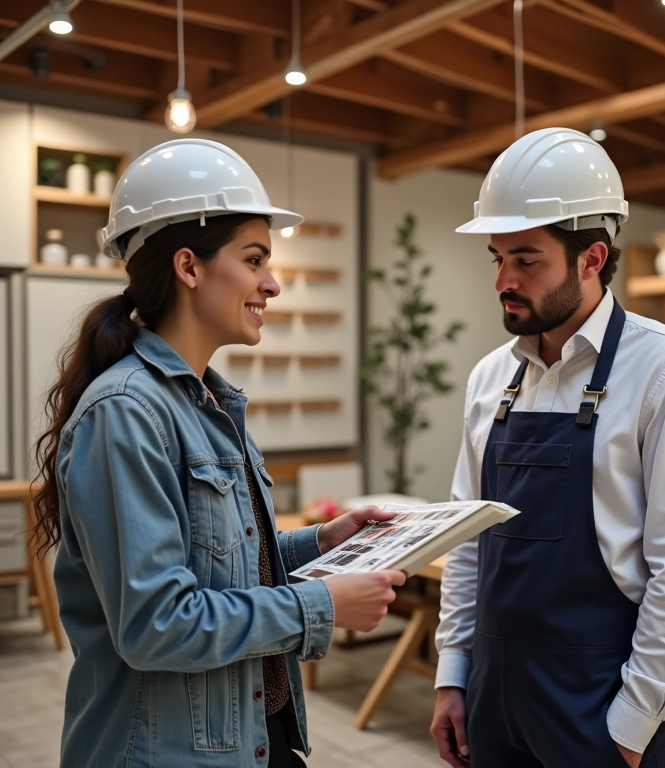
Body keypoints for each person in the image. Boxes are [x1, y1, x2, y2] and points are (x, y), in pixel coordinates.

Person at [31, 138, 406, 768]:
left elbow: (220, 563)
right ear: (189, 266)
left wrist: (323, 543)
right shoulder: (126, 413)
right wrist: (323, 604)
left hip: (252, 743)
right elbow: (158, 624)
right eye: (254, 259)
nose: (273, 283)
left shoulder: (208, 403)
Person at [430, 127, 665, 768]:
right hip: (493, 692)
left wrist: (632, 721)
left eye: (526, 260)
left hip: (599, 702)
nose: (504, 279)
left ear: (592, 258)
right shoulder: (490, 379)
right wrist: (454, 673)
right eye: (496, 258)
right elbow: (466, 541)